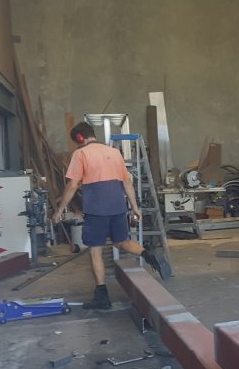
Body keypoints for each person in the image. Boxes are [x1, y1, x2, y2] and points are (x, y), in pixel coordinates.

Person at [51, 122, 167, 309]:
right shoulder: (114, 153)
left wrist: (58, 211)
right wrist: (135, 207)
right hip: (118, 206)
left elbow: (72, 186)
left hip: (97, 209)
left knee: (95, 249)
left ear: (79, 138)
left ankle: (102, 297)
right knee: (121, 242)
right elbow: (127, 183)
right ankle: (148, 253)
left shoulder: (81, 154)